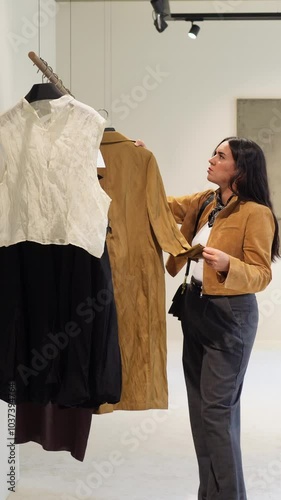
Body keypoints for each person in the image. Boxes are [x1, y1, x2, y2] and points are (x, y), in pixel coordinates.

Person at [166, 137, 280, 500]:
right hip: (195, 311)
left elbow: (262, 273)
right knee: (202, 415)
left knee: (217, 415)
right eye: (214, 153)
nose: (211, 160)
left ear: (240, 170)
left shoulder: (256, 213)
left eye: (221, 156)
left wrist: (230, 265)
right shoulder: (206, 201)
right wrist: (140, 162)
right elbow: (161, 204)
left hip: (231, 318)